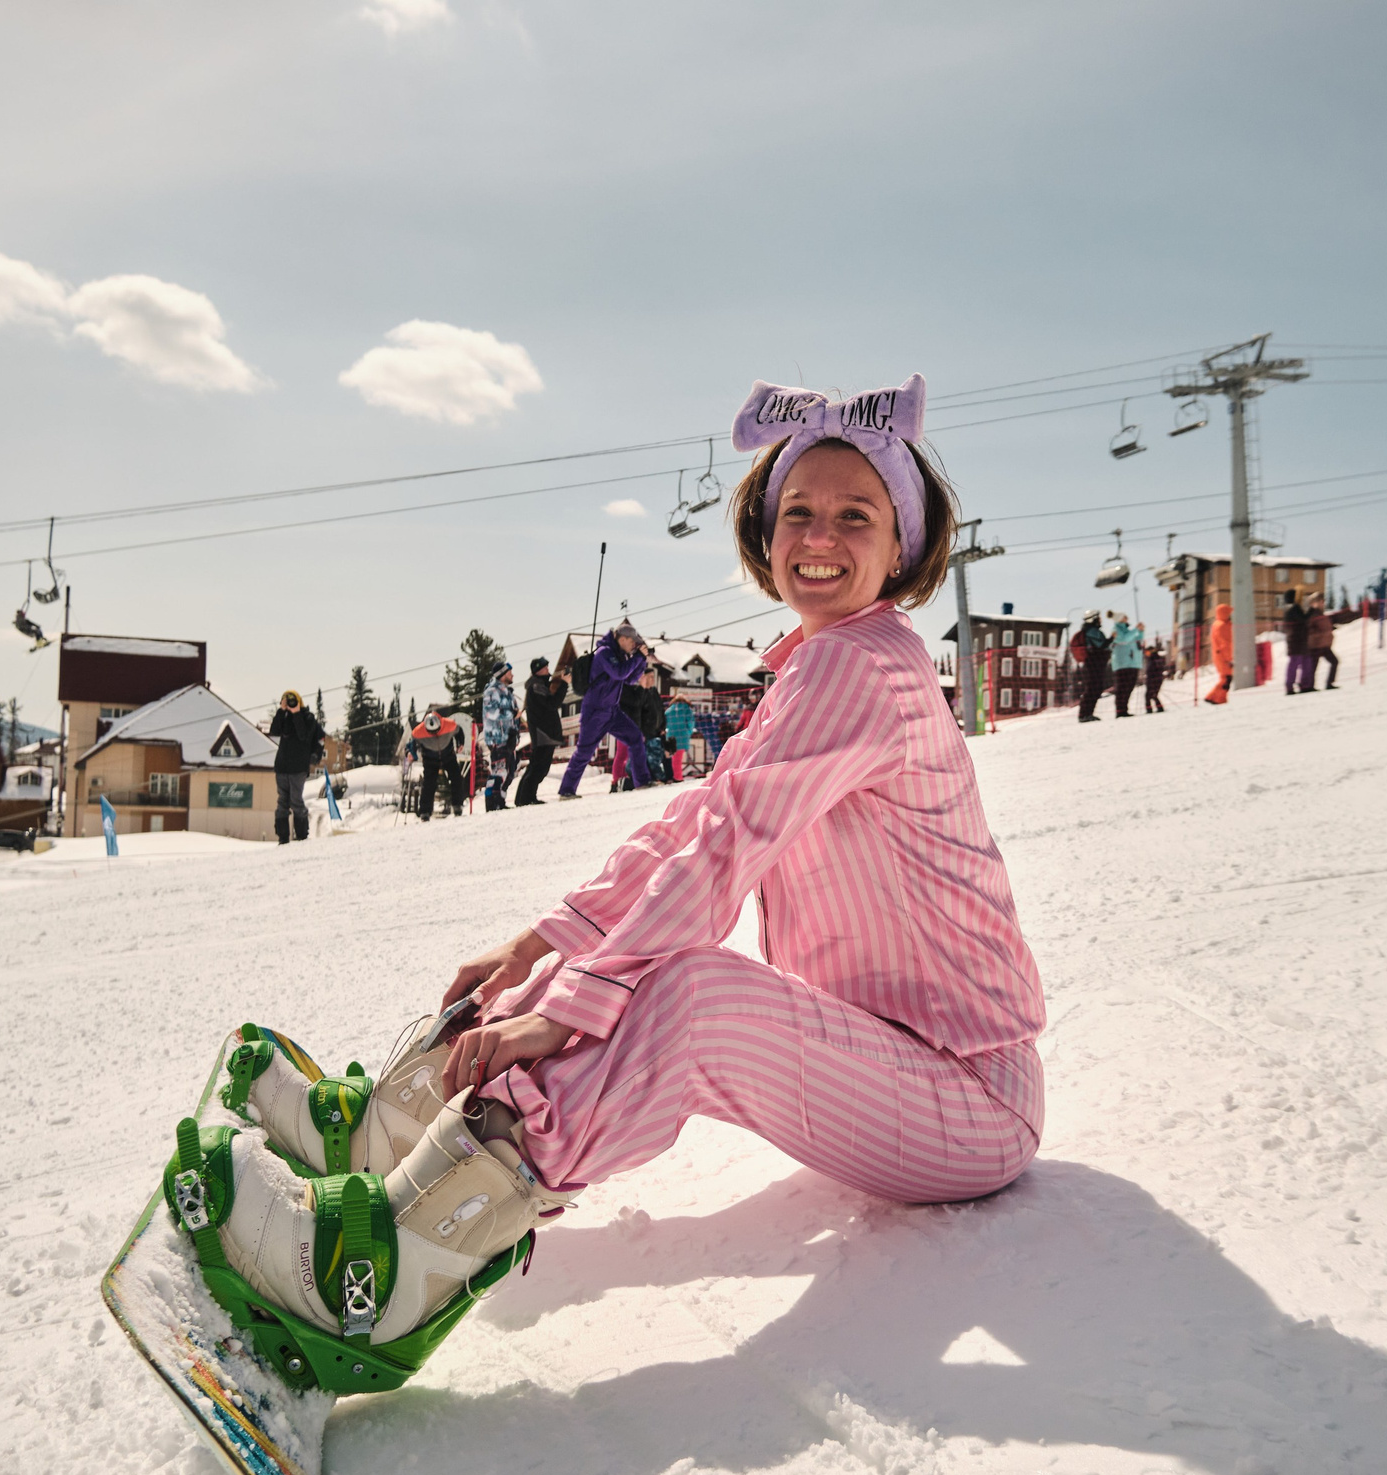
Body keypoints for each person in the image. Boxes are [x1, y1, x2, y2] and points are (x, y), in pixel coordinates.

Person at [177, 374, 1045, 1364]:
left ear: (905, 547)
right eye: (797, 511)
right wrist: (546, 943)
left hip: (966, 1098)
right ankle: (383, 1143)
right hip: (888, 1060)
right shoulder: (819, 662)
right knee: (594, 966)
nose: (819, 536)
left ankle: (386, 1276)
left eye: (857, 516)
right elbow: (694, 822)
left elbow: (729, 846)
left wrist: (580, 997)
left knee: (680, 994)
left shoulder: (862, 668)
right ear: (763, 531)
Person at [557, 624, 654, 799]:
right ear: (622, 638)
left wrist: (641, 660)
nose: (634, 645)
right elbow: (619, 673)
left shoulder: (620, 655)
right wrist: (637, 656)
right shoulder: (605, 653)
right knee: (584, 751)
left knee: (635, 737)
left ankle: (642, 782)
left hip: (612, 710)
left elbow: (630, 679)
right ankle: (566, 790)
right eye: (633, 642)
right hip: (595, 711)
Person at [265, 689, 324, 844]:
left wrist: (297, 713)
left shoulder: (308, 717)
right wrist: (281, 710)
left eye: (292, 700)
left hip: (298, 767)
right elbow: (274, 731)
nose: (290, 703)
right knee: (282, 801)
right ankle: (283, 838)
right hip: (282, 766)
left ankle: (302, 836)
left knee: (296, 800)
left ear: (299, 701)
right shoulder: (283, 717)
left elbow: (303, 735)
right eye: (286, 700)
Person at [515, 657, 565, 806]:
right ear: (539, 670)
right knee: (538, 767)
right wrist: (564, 685)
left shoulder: (539, 685)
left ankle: (525, 798)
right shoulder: (537, 687)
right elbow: (552, 703)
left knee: (537, 766)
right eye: (545, 668)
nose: (548, 670)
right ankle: (526, 799)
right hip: (543, 733)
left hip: (543, 733)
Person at [407, 706, 466, 820]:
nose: (434, 734)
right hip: (430, 759)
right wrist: (410, 754)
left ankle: (457, 805)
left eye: (436, 731)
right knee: (429, 783)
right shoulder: (419, 731)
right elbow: (411, 745)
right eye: (431, 732)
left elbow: (459, 732)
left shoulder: (449, 725)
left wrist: (460, 743)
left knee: (456, 777)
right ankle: (425, 811)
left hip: (448, 755)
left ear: (440, 725)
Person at [480, 661, 520, 811]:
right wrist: (512, 713)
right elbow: (492, 712)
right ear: (503, 674)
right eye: (509, 672)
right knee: (500, 770)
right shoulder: (492, 691)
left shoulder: (507, 691)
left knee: (510, 771)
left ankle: (500, 800)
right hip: (497, 737)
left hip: (508, 736)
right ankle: (492, 802)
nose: (512, 675)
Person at [1074, 613, 1110, 722]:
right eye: (1098, 618)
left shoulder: (1091, 630)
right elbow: (1102, 645)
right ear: (1093, 619)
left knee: (1096, 687)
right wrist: (1112, 638)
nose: (1101, 620)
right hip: (1094, 662)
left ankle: (1087, 714)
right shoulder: (1092, 631)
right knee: (1093, 688)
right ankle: (1085, 714)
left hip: (1095, 662)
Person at [1108, 615, 1144, 718]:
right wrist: (1136, 629)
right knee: (1121, 688)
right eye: (1124, 617)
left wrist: (1141, 631)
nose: (1127, 619)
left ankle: (1124, 709)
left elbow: (1138, 639)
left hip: (1132, 663)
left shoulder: (1128, 631)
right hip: (1121, 664)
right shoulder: (1116, 630)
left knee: (1129, 687)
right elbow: (1124, 639)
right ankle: (1120, 711)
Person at [1203, 600, 1235, 704]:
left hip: (1219, 655)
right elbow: (1225, 644)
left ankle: (1221, 699)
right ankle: (1212, 697)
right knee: (1226, 678)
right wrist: (1229, 659)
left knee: (1226, 678)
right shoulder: (1222, 626)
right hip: (1223, 657)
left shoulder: (1218, 624)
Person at [1280, 591, 1312, 694]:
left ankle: (1295, 685)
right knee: (1299, 663)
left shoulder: (1288, 609)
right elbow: (1304, 619)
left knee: (1301, 662)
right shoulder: (1295, 608)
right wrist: (1311, 610)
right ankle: (1299, 685)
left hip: (1295, 640)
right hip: (1297, 641)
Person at [1306, 600, 1340, 691]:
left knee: (1334, 661)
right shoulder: (1312, 616)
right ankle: (1309, 686)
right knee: (1313, 666)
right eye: (1320, 602)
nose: (1322, 604)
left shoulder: (1323, 616)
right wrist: (1319, 633)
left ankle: (1329, 683)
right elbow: (1309, 630)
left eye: (1323, 603)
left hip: (1324, 645)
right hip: (1316, 645)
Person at [664, 694, 699, 777]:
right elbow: (691, 722)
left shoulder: (668, 710)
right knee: (678, 759)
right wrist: (689, 732)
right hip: (683, 735)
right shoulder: (687, 709)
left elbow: (665, 723)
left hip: (671, 735)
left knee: (672, 759)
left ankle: (673, 776)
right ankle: (678, 777)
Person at [1141, 641, 1167, 713]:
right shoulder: (1156, 658)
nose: (1147, 654)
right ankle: (1159, 708)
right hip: (1157, 680)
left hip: (1153, 680)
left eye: (1148, 652)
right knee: (1153, 695)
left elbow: (1152, 671)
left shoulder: (1153, 660)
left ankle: (1150, 709)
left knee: (1149, 695)